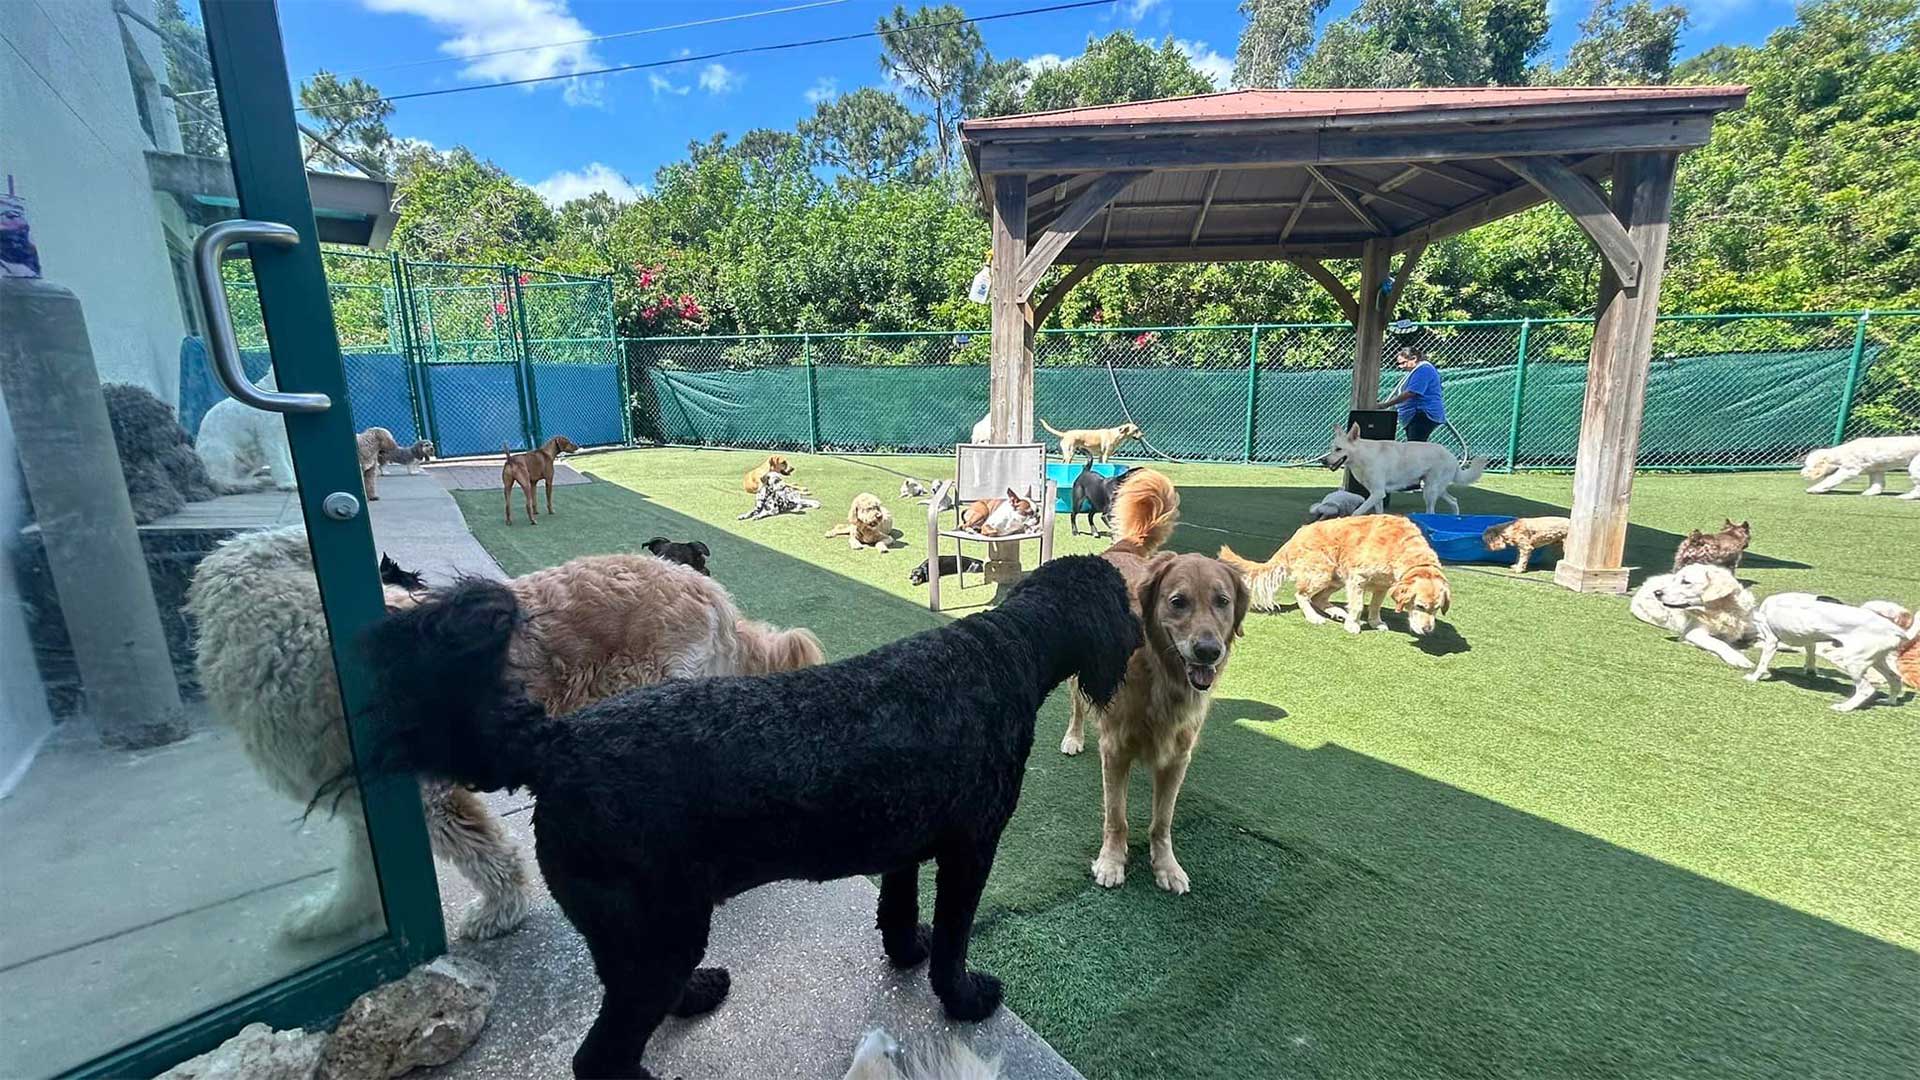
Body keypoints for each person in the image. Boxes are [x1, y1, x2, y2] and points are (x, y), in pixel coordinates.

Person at [1379, 346, 1445, 442]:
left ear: (1414, 358)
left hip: (1423, 414)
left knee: (1415, 447)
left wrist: (1386, 404)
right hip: (1415, 415)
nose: (1401, 367)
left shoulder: (1424, 369)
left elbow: (1411, 392)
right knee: (1415, 446)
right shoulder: (1416, 370)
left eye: (1403, 363)